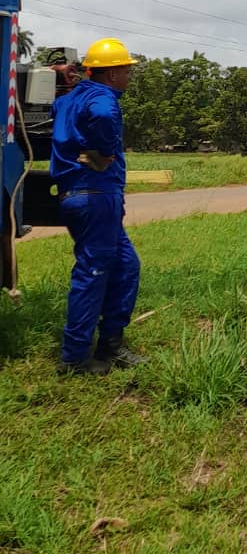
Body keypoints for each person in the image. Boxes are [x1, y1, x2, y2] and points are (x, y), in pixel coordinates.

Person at [52, 38, 146, 374]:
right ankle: (75, 359)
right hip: (95, 195)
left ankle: (111, 345)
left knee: (126, 266)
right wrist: (104, 152)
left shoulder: (70, 98)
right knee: (92, 273)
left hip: (79, 196)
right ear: (112, 73)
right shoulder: (103, 98)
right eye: (126, 70)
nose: (128, 76)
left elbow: (57, 115)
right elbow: (104, 116)